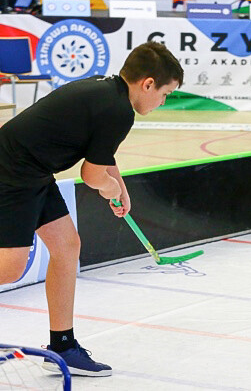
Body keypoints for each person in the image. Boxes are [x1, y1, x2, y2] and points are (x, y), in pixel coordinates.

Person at [0, 42, 183, 376]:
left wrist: (120, 187)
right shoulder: (119, 110)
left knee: (67, 247)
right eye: (165, 94)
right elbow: (91, 174)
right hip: (13, 169)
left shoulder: (108, 92)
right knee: (11, 268)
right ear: (148, 84)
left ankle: (63, 345)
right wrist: (110, 187)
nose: (162, 102)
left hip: (32, 168)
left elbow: (101, 154)